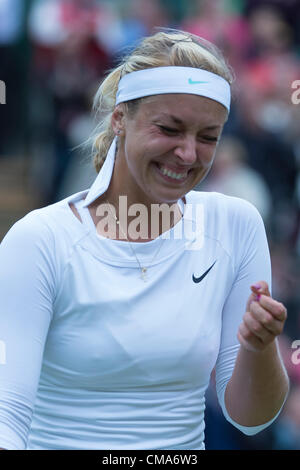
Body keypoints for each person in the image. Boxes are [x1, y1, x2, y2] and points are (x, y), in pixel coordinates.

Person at [0, 29, 289, 450]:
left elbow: (249, 419)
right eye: (170, 129)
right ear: (119, 118)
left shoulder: (237, 225)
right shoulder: (39, 240)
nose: (188, 154)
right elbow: (6, 413)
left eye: (208, 137)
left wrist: (259, 348)